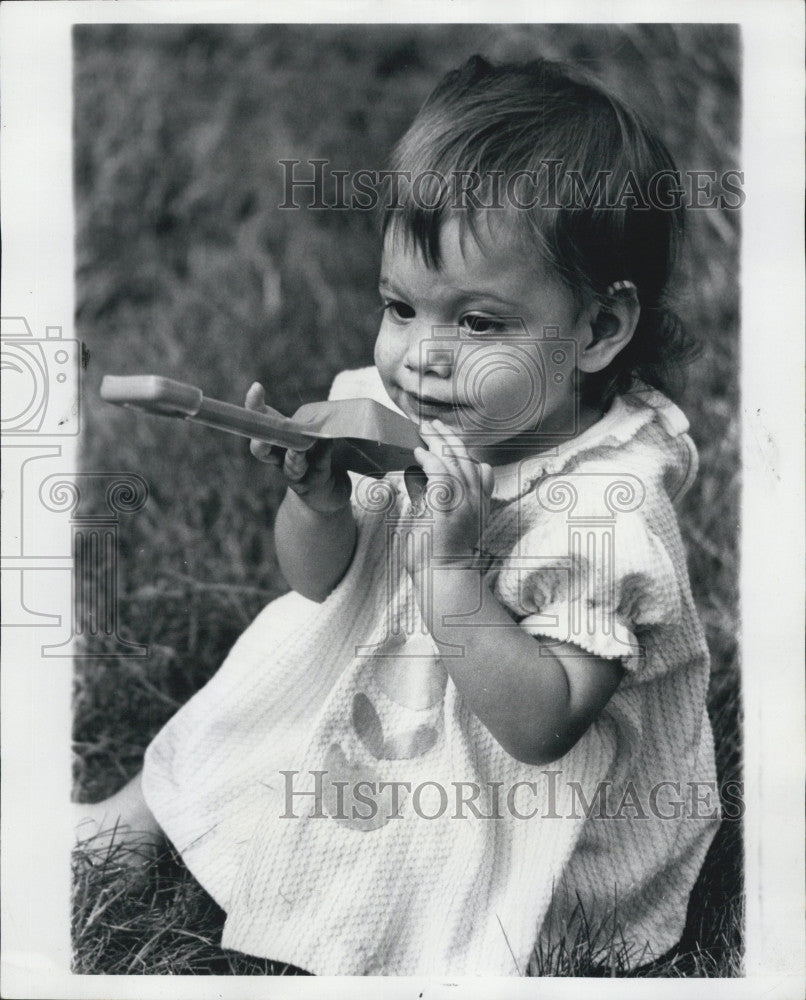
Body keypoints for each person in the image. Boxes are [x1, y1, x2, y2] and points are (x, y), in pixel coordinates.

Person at [74, 55, 720, 975]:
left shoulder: (603, 518)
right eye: (400, 307)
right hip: (392, 693)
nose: (422, 357)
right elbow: (317, 583)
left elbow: (542, 730)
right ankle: (135, 820)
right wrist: (318, 501)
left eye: (481, 324)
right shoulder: (398, 413)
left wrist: (451, 572)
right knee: (249, 715)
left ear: (598, 330)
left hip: (529, 795)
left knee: (457, 887)